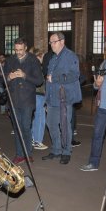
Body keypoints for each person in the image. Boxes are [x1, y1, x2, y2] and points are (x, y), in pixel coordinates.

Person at [80, 39, 106, 172]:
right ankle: (93, 163)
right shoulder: (105, 64)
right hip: (103, 108)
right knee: (97, 135)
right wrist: (96, 84)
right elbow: (96, 84)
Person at [42, 32, 82, 165]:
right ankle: (56, 149)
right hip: (52, 98)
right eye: (50, 42)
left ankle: (66, 151)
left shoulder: (70, 56)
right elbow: (48, 80)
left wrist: (55, 79)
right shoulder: (53, 58)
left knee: (65, 126)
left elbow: (74, 75)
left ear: (62, 42)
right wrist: (46, 100)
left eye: (54, 41)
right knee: (51, 124)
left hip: (64, 97)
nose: (51, 44)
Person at [4, 38, 43, 164]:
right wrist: (9, 77)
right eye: (16, 50)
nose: (18, 52)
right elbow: (2, 79)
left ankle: (28, 153)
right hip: (14, 100)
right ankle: (20, 154)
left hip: (27, 101)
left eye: (20, 50)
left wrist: (24, 76)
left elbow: (39, 81)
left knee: (26, 127)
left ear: (25, 48)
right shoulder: (10, 60)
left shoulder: (33, 60)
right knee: (17, 128)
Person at [30, 49, 48, 150]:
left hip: (34, 95)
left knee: (35, 118)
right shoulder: (37, 67)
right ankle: (38, 141)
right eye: (42, 57)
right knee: (40, 119)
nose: (43, 59)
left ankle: (33, 138)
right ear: (38, 56)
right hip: (39, 95)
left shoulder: (31, 67)